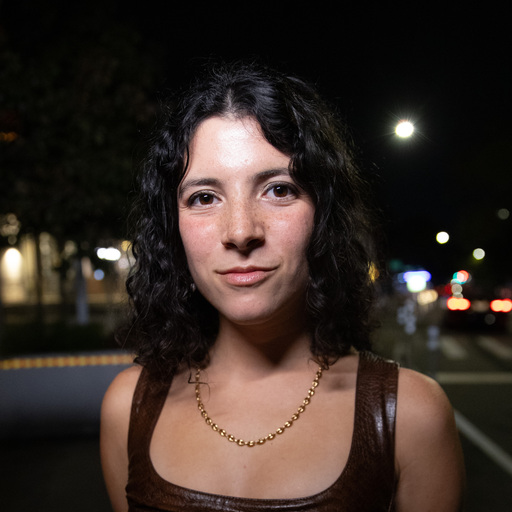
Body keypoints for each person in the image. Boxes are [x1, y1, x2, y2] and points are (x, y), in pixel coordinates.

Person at [100, 60, 465, 512]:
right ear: (173, 228)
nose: (240, 231)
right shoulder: (127, 409)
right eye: (204, 197)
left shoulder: (410, 416)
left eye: (278, 189)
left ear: (323, 215)